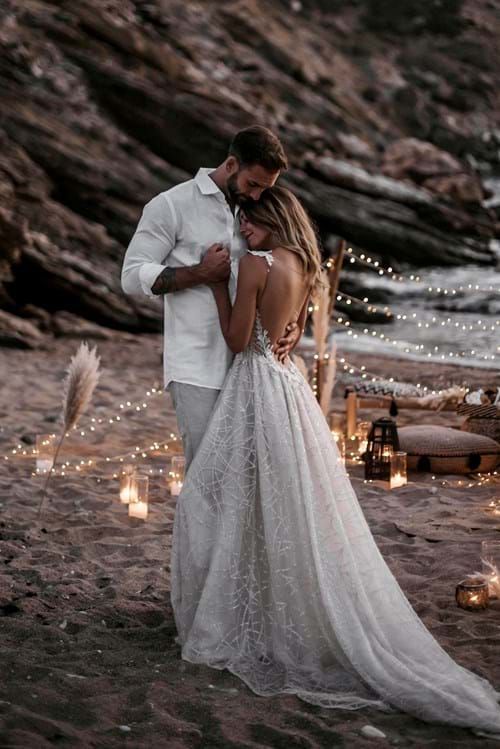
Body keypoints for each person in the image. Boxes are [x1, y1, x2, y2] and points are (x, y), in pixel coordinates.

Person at [170, 185, 500, 736]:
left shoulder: (254, 264)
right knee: (286, 499)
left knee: (225, 494)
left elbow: (235, 342)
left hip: (254, 386)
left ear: (271, 219)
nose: (243, 229)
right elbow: (289, 331)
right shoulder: (303, 263)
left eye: (249, 220)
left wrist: (213, 287)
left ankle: (248, 613)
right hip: (289, 388)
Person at [121, 125, 300, 469]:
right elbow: (131, 277)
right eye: (254, 184)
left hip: (251, 367)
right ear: (231, 164)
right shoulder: (171, 205)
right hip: (196, 367)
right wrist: (200, 274)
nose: (259, 195)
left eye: (266, 188)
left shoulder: (257, 211)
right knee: (206, 475)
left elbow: (291, 261)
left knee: (246, 477)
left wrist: (295, 323)